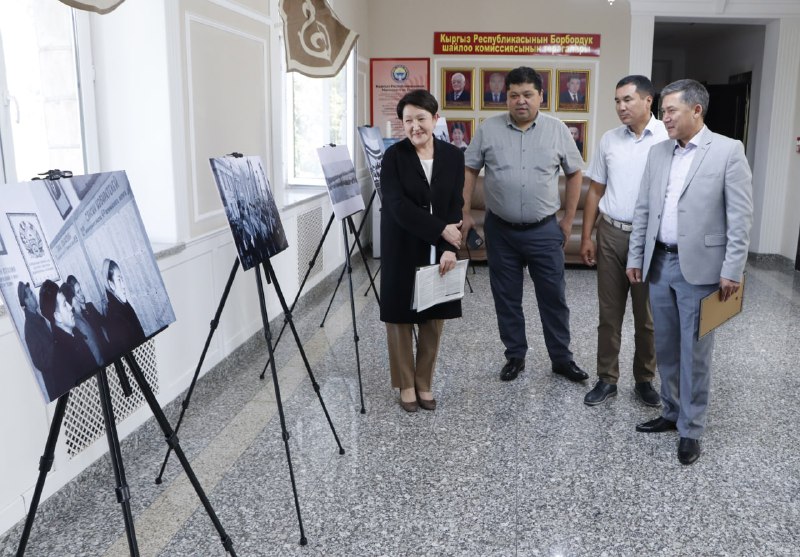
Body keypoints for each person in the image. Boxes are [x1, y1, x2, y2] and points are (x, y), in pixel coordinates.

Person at [626, 79, 753, 465]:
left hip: (702, 269)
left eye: (670, 111)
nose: (663, 118)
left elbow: (740, 217)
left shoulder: (728, 151)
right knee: (665, 346)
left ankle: (691, 429)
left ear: (696, 110)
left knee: (695, 353)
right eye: (662, 111)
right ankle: (671, 411)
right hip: (660, 264)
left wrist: (733, 269)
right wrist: (636, 256)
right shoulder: (659, 152)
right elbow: (644, 209)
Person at [463, 66, 587, 383]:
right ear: (506, 97)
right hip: (500, 230)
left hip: (544, 230)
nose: (521, 101)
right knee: (506, 298)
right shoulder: (488, 129)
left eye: (528, 94)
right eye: (514, 95)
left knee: (553, 298)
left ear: (540, 96)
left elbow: (575, 173)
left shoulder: (557, 130)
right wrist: (464, 212)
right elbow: (469, 170)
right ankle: (515, 355)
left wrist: (567, 220)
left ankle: (561, 359)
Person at [580, 75, 668, 407]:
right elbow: (595, 190)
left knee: (646, 317)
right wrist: (587, 235)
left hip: (649, 239)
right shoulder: (609, 140)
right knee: (609, 313)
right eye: (617, 101)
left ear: (648, 100)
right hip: (611, 234)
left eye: (627, 99)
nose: (621, 107)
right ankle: (607, 378)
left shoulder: (667, 137)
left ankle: (644, 379)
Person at [379, 89, 464, 412]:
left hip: (438, 249)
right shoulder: (393, 156)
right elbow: (396, 205)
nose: (415, 126)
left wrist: (448, 247)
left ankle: (424, 381)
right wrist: (440, 229)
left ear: (435, 119)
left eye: (421, 119)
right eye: (408, 120)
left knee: (434, 317)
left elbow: (454, 204)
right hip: (401, 245)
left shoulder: (453, 156)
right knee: (400, 318)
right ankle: (406, 383)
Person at [39, 280, 98, 400]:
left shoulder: (74, 336)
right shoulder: (60, 357)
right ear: (57, 316)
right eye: (65, 305)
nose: (71, 307)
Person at [102, 258, 146, 359]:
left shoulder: (123, 305)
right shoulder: (115, 316)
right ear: (111, 284)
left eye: (122, 279)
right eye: (119, 280)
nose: (123, 285)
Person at [65, 275, 110, 366]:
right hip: (99, 357)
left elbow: (104, 322)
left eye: (80, 289)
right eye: (78, 292)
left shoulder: (90, 306)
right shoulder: (78, 318)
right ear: (74, 297)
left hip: (107, 348)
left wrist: (104, 308)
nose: (82, 294)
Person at [18, 281, 54, 377]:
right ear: (26, 301)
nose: (34, 296)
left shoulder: (38, 318)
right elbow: (41, 363)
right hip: (55, 378)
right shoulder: (30, 328)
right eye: (31, 294)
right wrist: (56, 346)